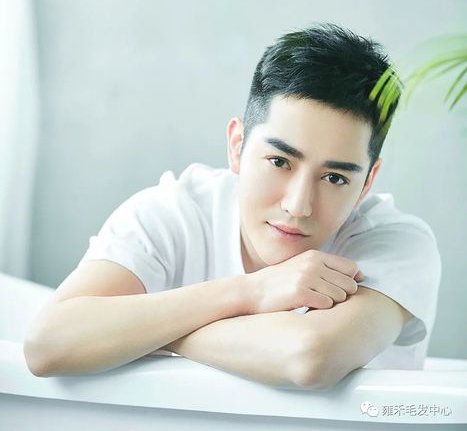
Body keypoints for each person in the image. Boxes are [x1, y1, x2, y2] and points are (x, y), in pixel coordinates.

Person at [24, 22, 441, 389]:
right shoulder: (175, 213)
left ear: (368, 181)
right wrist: (251, 291)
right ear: (237, 146)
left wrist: (146, 332)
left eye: (335, 178)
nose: (298, 205)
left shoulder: (396, 244)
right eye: (279, 162)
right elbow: (47, 344)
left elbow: (310, 357)